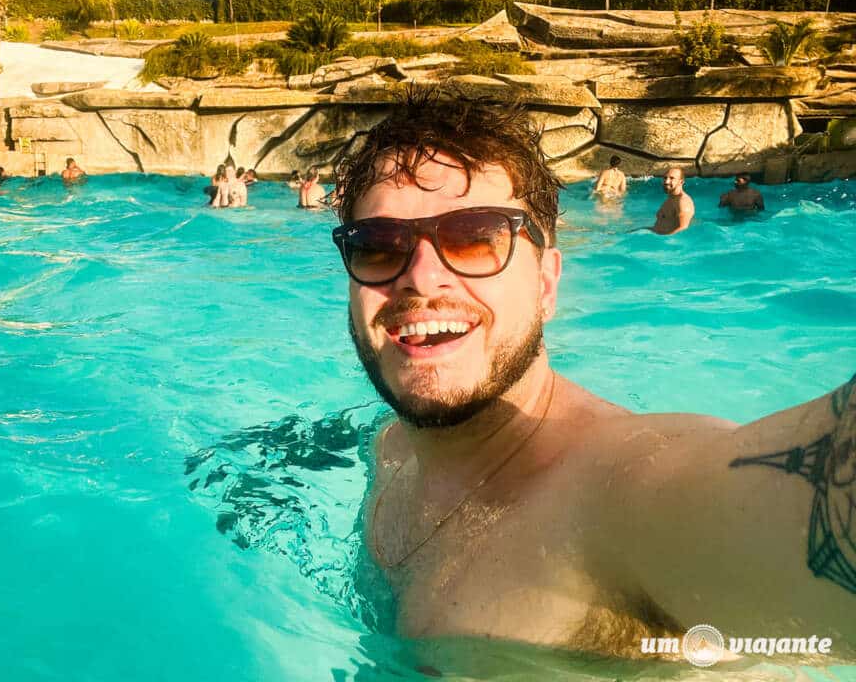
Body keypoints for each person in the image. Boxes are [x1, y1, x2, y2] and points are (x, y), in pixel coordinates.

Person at [330, 94, 854, 659]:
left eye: (475, 238)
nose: (422, 279)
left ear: (547, 284)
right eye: (379, 247)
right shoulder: (390, 445)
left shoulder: (623, 493)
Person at [650, 167, 694, 235]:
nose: (666, 181)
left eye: (672, 178)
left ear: (681, 182)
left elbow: (683, 228)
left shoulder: (683, 202)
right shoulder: (671, 199)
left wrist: (663, 241)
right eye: (665, 178)